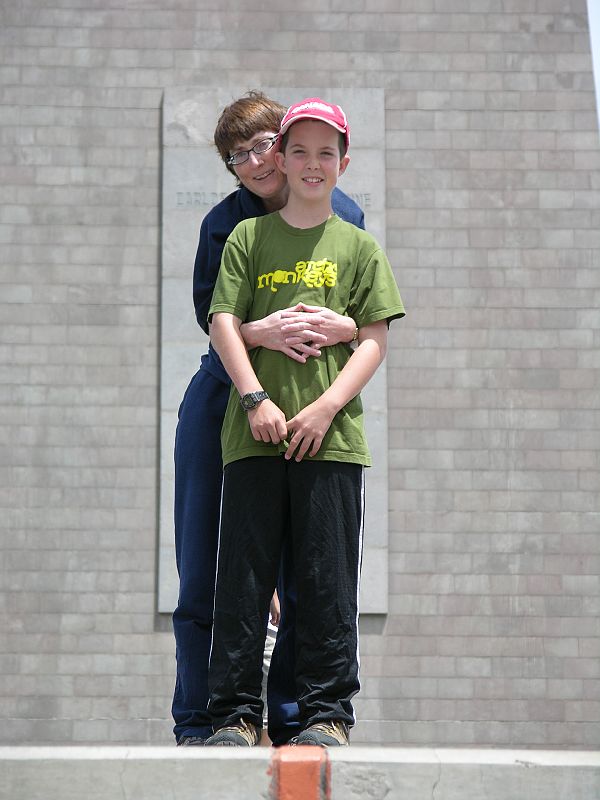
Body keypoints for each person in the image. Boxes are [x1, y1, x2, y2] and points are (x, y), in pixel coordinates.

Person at [204, 97, 405, 748]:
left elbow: (373, 335)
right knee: (242, 581)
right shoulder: (244, 236)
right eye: (300, 151)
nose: (312, 163)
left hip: (332, 440)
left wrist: (323, 408)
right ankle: (233, 715)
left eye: (327, 152)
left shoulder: (358, 246)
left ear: (343, 163)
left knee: (326, 582)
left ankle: (327, 716)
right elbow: (222, 322)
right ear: (282, 163)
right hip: (254, 439)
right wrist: (257, 399)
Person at [172, 91, 365, 747]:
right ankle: (204, 718)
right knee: (208, 568)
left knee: (308, 569)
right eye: (237, 155)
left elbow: (361, 319)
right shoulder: (226, 227)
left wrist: (345, 326)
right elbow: (216, 321)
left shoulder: (345, 215)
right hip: (226, 394)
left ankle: (293, 719)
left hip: (308, 403)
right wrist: (256, 335)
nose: (253, 162)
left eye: (261, 145)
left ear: (284, 144)